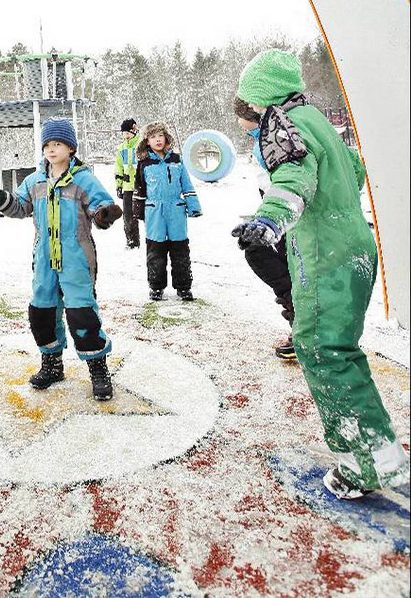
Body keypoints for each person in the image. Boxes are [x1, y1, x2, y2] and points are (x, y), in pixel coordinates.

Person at [232, 49, 409, 500]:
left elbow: (293, 178)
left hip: (323, 253)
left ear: (263, 94)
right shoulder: (316, 120)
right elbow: (354, 169)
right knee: (336, 348)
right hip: (352, 242)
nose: (250, 109)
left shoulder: (282, 123)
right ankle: (377, 450)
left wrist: (269, 220)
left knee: (324, 351)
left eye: (251, 100)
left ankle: (365, 460)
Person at [0, 117, 122, 400]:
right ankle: (52, 364)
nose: (51, 149)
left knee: (81, 312)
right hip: (43, 257)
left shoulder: (83, 179)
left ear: (70, 148)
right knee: (41, 312)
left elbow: (100, 206)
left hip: (76, 256)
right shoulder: (35, 180)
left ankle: (97, 368)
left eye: (57, 144)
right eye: (47, 144)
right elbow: (20, 207)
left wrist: (105, 214)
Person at [233, 97, 296, 360]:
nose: (239, 124)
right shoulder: (263, 138)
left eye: (240, 116)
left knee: (269, 257)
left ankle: (309, 328)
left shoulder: (276, 138)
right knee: (259, 252)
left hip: (292, 213)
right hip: (278, 211)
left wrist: (270, 219)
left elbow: (288, 179)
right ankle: (301, 321)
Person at [133, 121, 201, 301]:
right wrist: (138, 212)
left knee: (180, 250)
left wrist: (193, 206)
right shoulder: (144, 164)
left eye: (160, 135)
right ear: (147, 141)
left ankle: (183, 287)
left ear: (166, 138)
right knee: (156, 250)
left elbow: (186, 184)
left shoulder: (176, 160)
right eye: (153, 136)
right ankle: (156, 287)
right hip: (154, 211)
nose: (157, 140)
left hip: (176, 211)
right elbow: (139, 188)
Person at [114, 118, 141, 249]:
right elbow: (118, 167)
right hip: (127, 187)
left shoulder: (141, 146)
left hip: (142, 186)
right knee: (128, 214)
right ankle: (132, 240)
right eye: (123, 133)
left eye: (128, 133)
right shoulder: (121, 148)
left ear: (134, 132)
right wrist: (119, 185)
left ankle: (155, 240)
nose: (125, 136)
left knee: (147, 213)